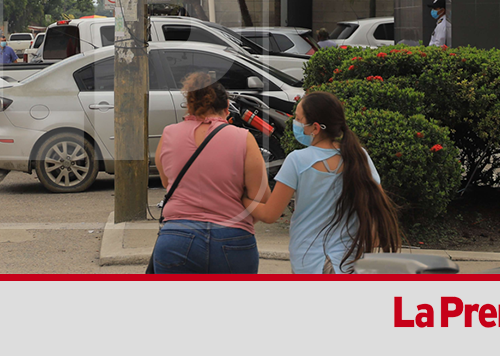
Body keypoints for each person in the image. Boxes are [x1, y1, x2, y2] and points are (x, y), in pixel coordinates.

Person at [242, 91, 401, 274]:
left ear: (315, 128)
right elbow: (377, 207)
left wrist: (243, 199)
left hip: (308, 261)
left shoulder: (297, 160)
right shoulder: (359, 156)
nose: (295, 123)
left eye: (298, 119)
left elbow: (270, 214)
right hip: (350, 261)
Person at [151, 72, 270, 274]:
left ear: (189, 106)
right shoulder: (243, 138)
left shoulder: (168, 134)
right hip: (233, 238)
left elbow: (166, 182)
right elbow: (262, 196)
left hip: (176, 238)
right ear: (226, 108)